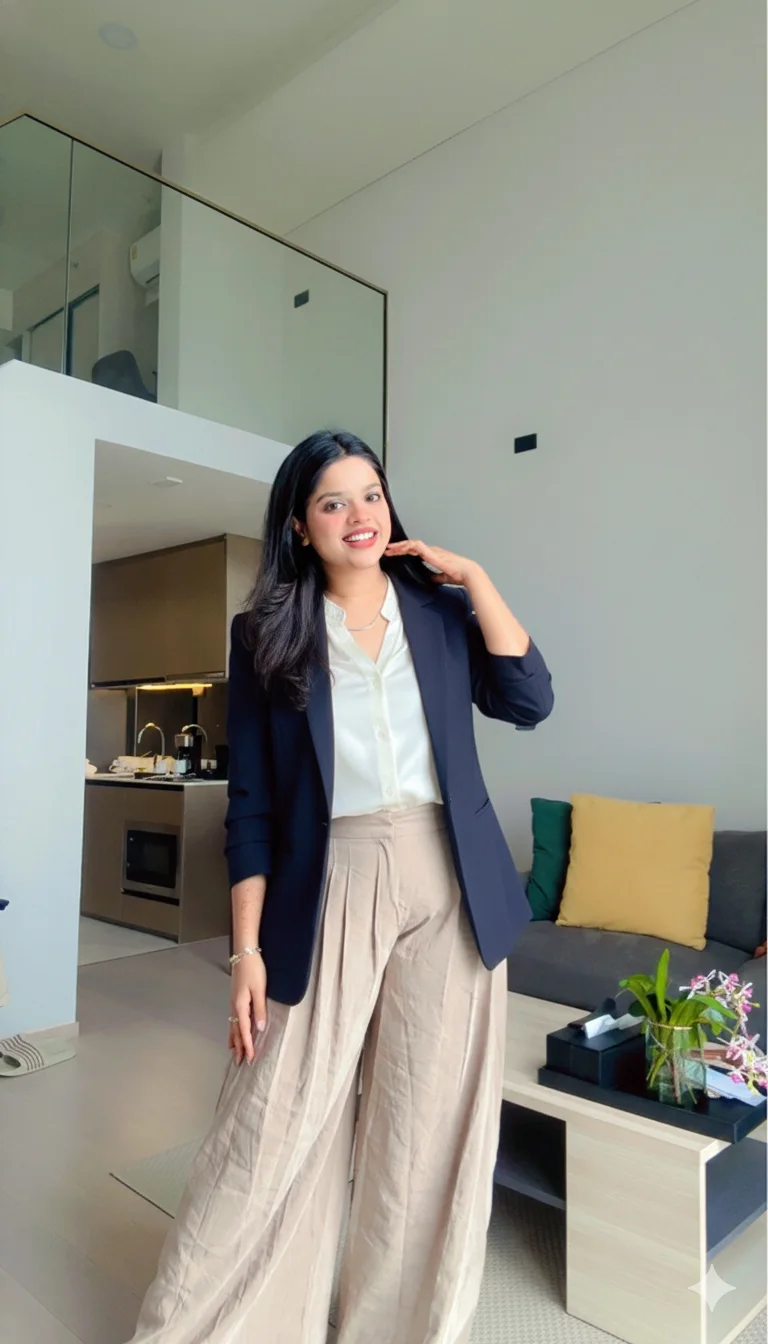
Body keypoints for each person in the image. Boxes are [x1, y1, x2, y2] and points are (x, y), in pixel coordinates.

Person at [129, 430, 553, 1344]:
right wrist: (246, 951)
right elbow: (250, 802)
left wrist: (475, 578)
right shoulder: (266, 634)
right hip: (329, 876)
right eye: (333, 502)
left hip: (452, 879)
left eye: (371, 495)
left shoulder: (440, 609)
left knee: (426, 1131)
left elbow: (529, 699)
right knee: (273, 1117)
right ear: (299, 523)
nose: (360, 516)